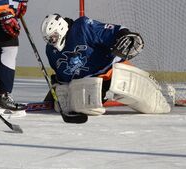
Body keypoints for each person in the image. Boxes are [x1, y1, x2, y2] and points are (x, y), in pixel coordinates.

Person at [40, 14, 172, 116]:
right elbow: (62, 76)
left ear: (61, 28)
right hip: (88, 84)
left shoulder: (83, 27)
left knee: (154, 106)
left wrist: (124, 35)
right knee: (85, 107)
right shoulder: (51, 51)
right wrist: (56, 91)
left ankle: (164, 94)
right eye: (48, 39)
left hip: (112, 71)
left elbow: (114, 30)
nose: (52, 41)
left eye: (53, 36)